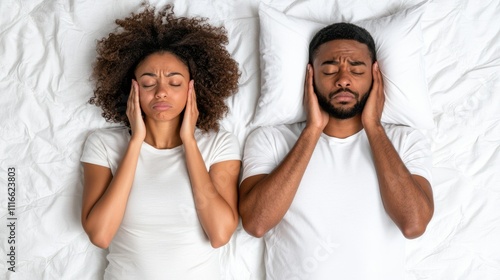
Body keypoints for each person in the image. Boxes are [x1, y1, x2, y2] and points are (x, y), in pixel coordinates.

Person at [239, 22, 434, 279]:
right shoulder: (270, 139)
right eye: (330, 70)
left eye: (357, 69)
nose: (343, 79)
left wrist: (373, 127)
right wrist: (312, 130)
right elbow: (256, 223)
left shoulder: (405, 141)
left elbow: (413, 224)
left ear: (376, 77)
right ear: (311, 76)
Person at [80, 4, 241, 279]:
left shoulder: (219, 145)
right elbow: (101, 234)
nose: (162, 92)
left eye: (175, 83)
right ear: (131, 88)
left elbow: (220, 234)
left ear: (194, 88)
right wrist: (136, 142)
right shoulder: (103, 145)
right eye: (148, 82)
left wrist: (189, 142)